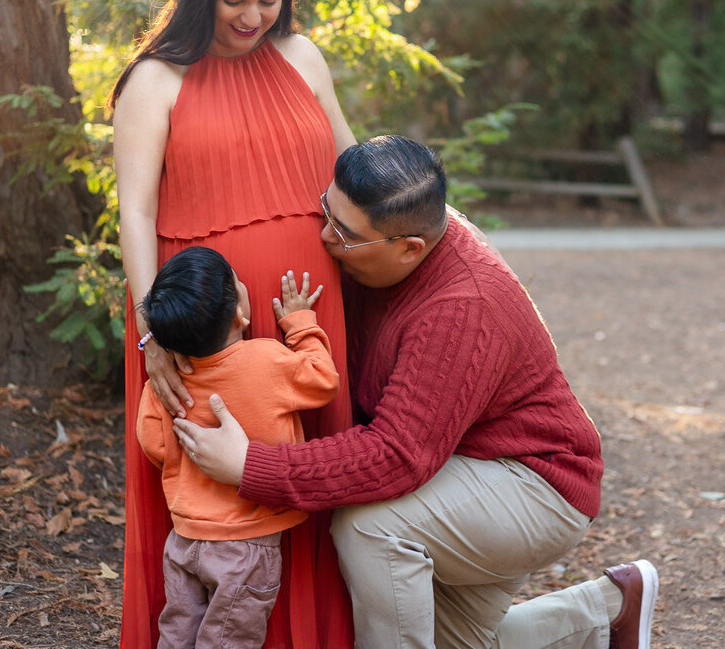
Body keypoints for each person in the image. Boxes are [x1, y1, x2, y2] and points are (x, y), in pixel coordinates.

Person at [176, 135, 661, 649]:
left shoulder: (462, 306)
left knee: (370, 527)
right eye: (327, 211)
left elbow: (396, 455)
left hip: (534, 483)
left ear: (410, 248)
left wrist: (251, 467)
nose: (325, 236)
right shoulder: (397, 219)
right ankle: (610, 611)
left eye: (344, 233)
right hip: (461, 462)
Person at [111, 0, 356, 649]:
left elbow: (354, 172)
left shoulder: (304, 58)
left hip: (306, 320)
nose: (253, 17)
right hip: (195, 323)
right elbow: (135, 213)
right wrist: (156, 334)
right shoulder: (155, 80)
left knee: (307, 475)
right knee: (213, 491)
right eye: (234, 0)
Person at [136, 247, 339, 649]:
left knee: (176, 634)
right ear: (240, 314)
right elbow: (323, 379)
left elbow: (154, 444)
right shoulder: (268, 361)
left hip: (185, 539)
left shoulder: (164, 385)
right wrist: (299, 323)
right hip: (245, 549)